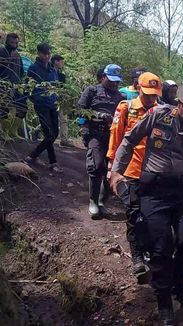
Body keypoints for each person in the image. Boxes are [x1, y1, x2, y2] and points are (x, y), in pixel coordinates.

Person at [109, 80, 183, 325]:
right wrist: (116, 172)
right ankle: (164, 302)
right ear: (179, 103)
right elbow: (129, 140)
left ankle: (178, 283)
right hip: (154, 191)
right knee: (161, 246)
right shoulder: (157, 116)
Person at [106, 72, 162, 281]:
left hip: (155, 173)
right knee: (134, 215)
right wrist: (112, 167)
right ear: (138, 89)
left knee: (153, 216)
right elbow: (116, 138)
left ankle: (152, 252)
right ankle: (137, 256)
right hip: (131, 172)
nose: (150, 99)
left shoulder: (162, 112)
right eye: (147, 94)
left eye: (154, 95)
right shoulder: (126, 108)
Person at [78, 64, 124, 219]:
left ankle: (102, 201)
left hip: (113, 136)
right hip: (95, 133)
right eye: (111, 80)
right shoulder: (91, 91)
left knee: (110, 170)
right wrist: (99, 115)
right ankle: (92, 201)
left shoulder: (120, 97)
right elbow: (79, 109)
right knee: (97, 166)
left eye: (117, 82)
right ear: (103, 77)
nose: (114, 84)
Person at [24, 43, 63, 172]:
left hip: (53, 104)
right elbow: (27, 86)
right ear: (39, 53)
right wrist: (36, 98)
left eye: (49, 54)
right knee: (49, 134)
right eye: (45, 54)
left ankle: (33, 155)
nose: (47, 56)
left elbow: (56, 85)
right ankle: (53, 162)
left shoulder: (53, 69)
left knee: (54, 134)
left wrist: (57, 98)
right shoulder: (33, 68)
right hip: (41, 105)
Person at [0, 33, 27, 134]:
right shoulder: (1, 51)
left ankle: (13, 131)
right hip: (3, 85)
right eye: (12, 42)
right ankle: (4, 132)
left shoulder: (17, 54)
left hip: (16, 85)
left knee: (23, 107)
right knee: (3, 109)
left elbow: (21, 70)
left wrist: (20, 82)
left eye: (16, 43)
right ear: (7, 41)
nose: (14, 44)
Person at [51, 54, 73, 147]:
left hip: (61, 99)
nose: (62, 64)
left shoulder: (61, 75)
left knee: (63, 119)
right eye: (61, 61)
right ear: (55, 61)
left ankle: (64, 139)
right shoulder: (50, 72)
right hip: (52, 99)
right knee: (52, 119)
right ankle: (36, 131)